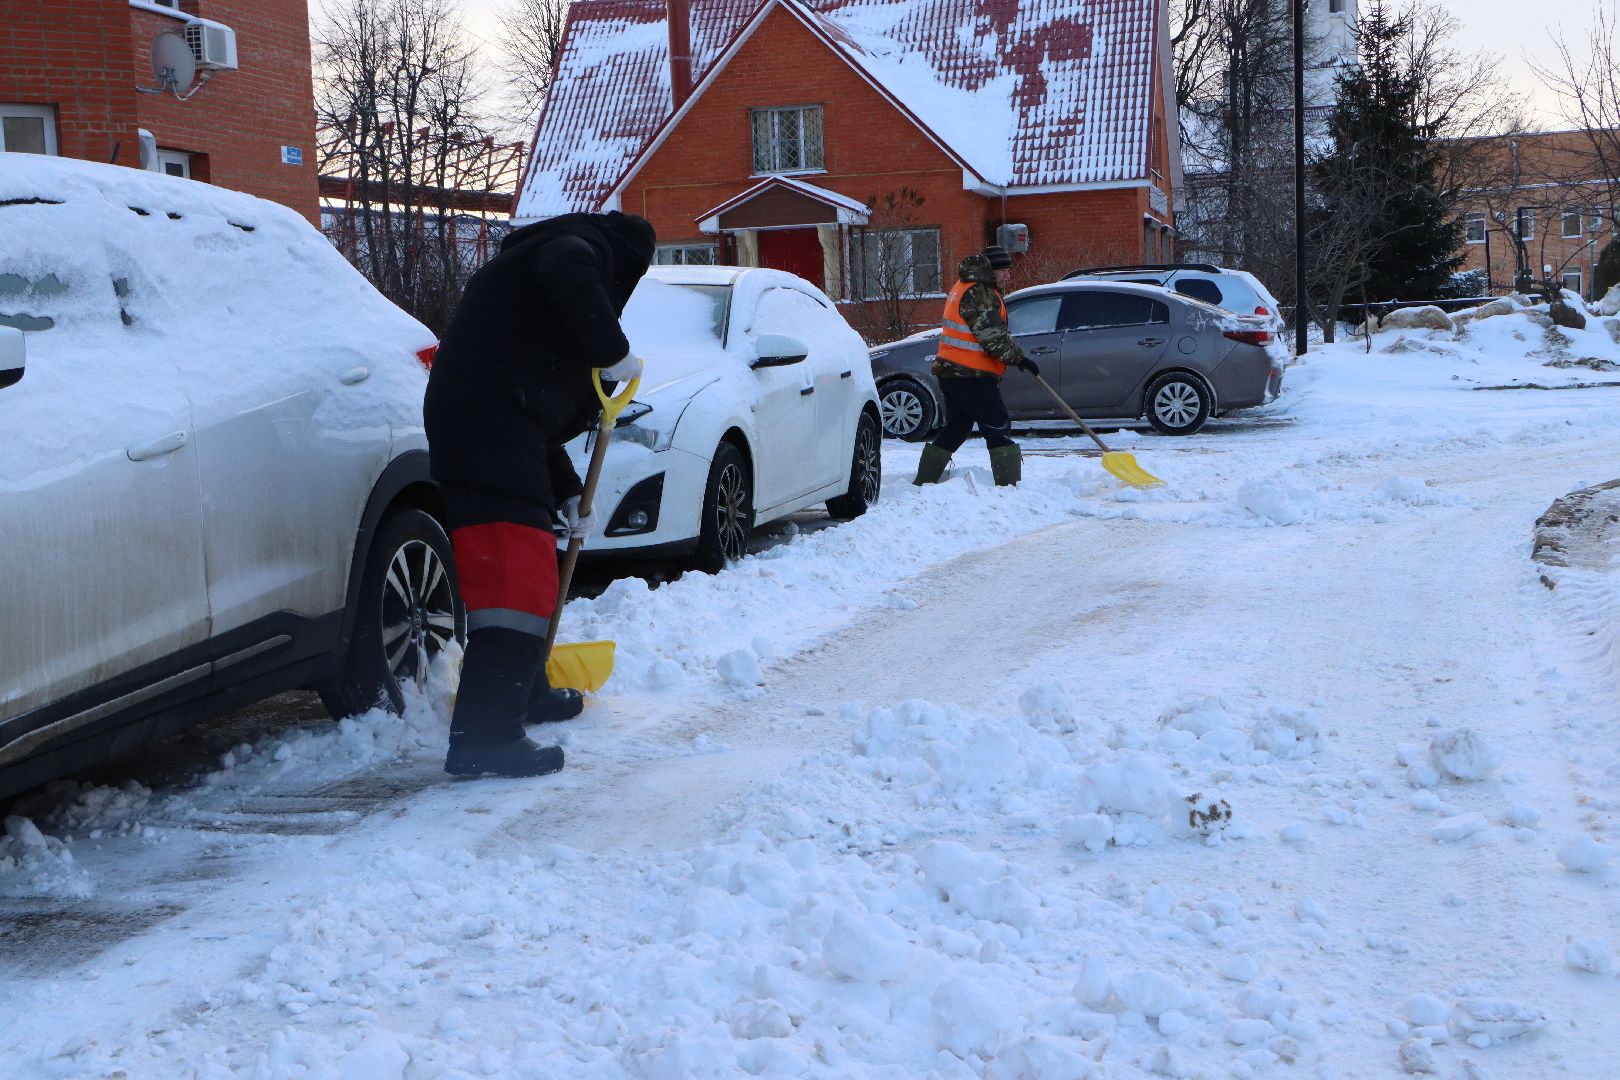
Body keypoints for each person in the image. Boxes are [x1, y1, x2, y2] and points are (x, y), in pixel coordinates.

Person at [424, 211, 656, 778]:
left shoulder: (525, 291)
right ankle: (485, 736)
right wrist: (610, 347)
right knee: (514, 585)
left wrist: (568, 492)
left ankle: (525, 696)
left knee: (529, 575)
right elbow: (568, 264)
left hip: (495, 428)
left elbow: (527, 410)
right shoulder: (575, 250)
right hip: (485, 433)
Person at [912, 244, 1037, 487]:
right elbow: (992, 338)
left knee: (958, 426)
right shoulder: (980, 293)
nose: (1008, 276)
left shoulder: (963, 287)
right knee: (997, 424)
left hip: (953, 371)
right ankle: (1009, 486)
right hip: (971, 373)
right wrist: (1019, 358)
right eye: (1003, 271)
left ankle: (924, 481)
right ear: (990, 271)